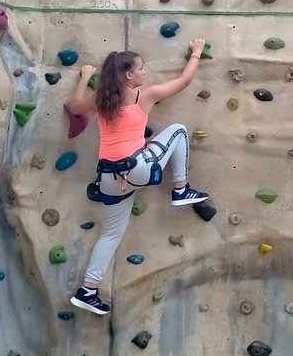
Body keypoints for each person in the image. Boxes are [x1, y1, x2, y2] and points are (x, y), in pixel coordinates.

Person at [66, 41, 211, 316]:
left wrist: (84, 77)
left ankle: (87, 291)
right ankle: (180, 189)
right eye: (141, 68)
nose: (145, 72)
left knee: (110, 234)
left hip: (108, 177)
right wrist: (196, 51)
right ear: (128, 75)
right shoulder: (144, 95)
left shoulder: (101, 98)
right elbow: (185, 80)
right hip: (136, 168)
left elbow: (74, 107)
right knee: (179, 130)